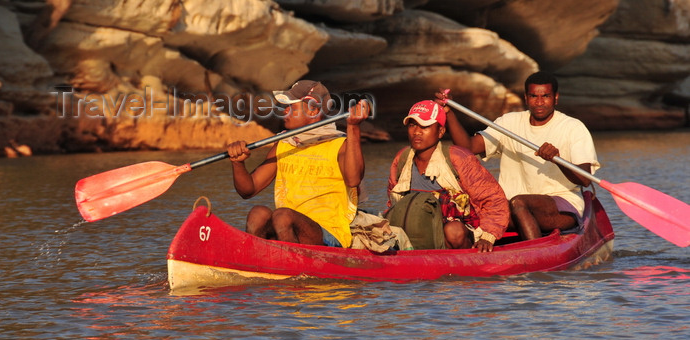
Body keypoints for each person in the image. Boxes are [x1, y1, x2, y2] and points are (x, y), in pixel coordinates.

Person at [436, 71, 600, 240]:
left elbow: (585, 179)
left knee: (519, 203)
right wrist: (449, 113)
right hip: (510, 209)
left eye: (546, 96)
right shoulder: (509, 123)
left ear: (556, 98)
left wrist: (557, 160)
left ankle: (537, 255)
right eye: (534, 96)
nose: (539, 102)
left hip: (561, 206)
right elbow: (468, 147)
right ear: (526, 98)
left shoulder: (573, 127)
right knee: (472, 211)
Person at [225, 80, 369, 248]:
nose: (284, 111)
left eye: (291, 107)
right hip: (286, 228)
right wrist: (238, 163)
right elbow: (248, 190)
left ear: (313, 110)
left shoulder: (340, 145)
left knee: (283, 217)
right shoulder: (284, 144)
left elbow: (353, 180)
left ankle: (293, 268)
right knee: (258, 213)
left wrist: (353, 128)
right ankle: (253, 260)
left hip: (330, 233)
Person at [387, 100, 510, 252]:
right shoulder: (402, 159)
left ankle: (464, 267)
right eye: (412, 125)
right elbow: (393, 203)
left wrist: (488, 236)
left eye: (425, 126)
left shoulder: (458, 158)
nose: (417, 131)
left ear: (440, 132)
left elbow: (494, 200)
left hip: (456, 233)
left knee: (454, 232)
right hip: (417, 229)